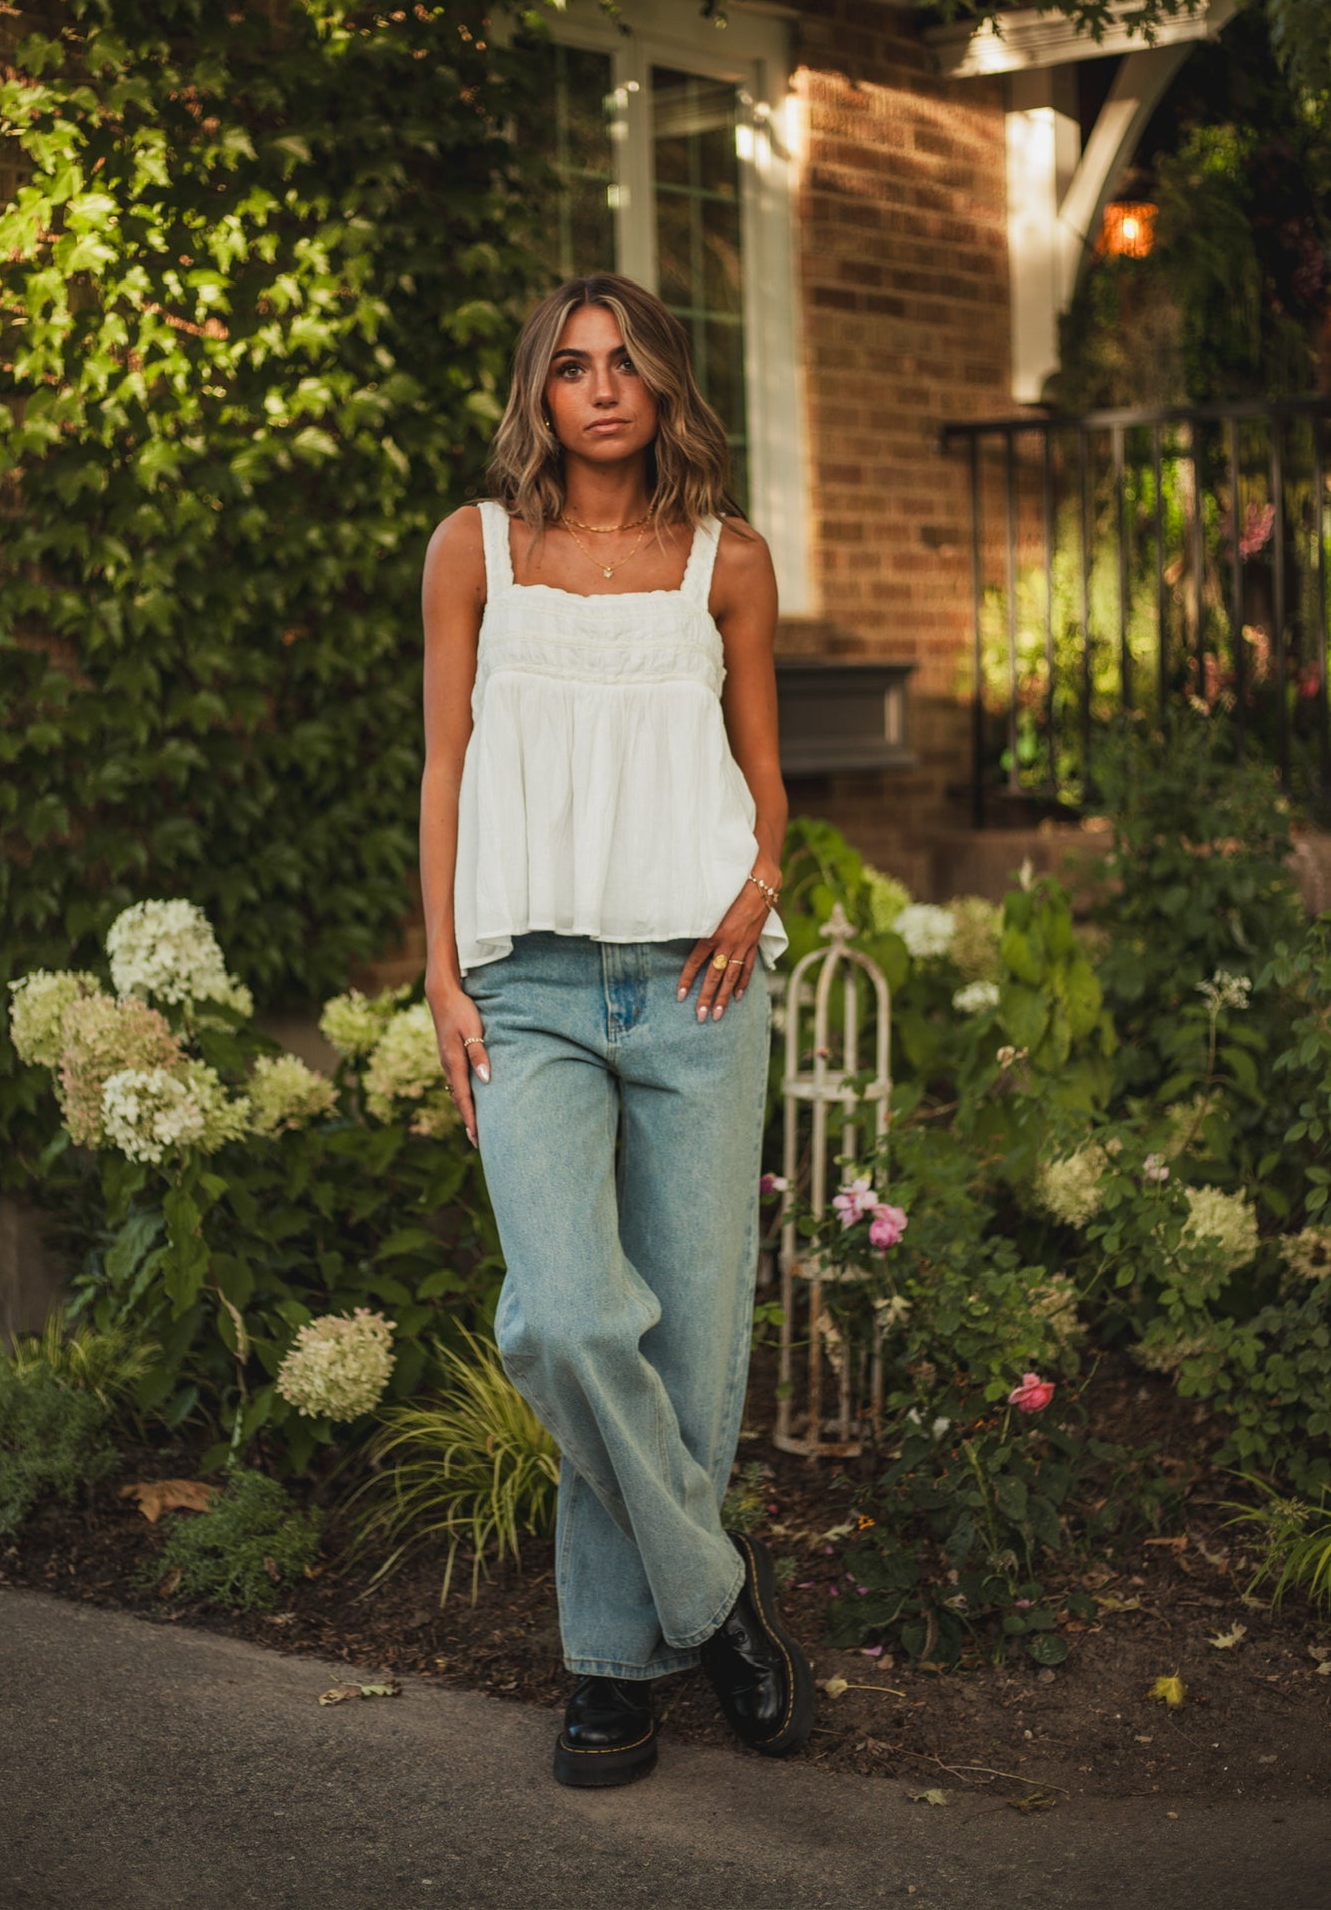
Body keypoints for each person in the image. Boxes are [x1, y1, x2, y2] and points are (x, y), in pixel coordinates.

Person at [419, 273, 813, 1788]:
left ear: (660, 390)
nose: (598, 390)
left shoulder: (729, 562)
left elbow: (765, 781)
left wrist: (754, 891)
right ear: (539, 390)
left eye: (624, 365)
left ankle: (610, 1671)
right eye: (570, 367)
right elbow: (444, 765)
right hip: (524, 983)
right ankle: (714, 1602)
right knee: (571, 1318)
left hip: (697, 980)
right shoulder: (476, 552)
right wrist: (444, 975)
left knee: (693, 1336)